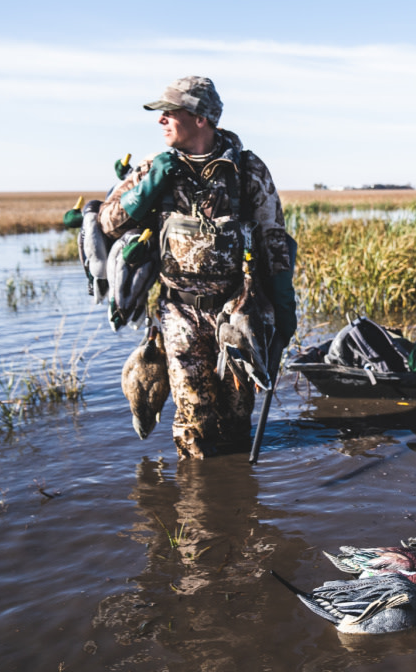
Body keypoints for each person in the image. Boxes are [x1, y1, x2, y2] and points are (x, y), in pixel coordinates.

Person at [100, 76, 297, 460]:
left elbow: (274, 238)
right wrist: (149, 187)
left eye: (170, 112)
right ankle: (197, 507)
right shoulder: (153, 167)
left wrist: (283, 306)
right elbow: (109, 223)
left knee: (238, 417)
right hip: (179, 311)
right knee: (193, 420)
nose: (162, 120)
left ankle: (237, 502)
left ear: (201, 118)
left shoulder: (246, 168)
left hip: (237, 310)